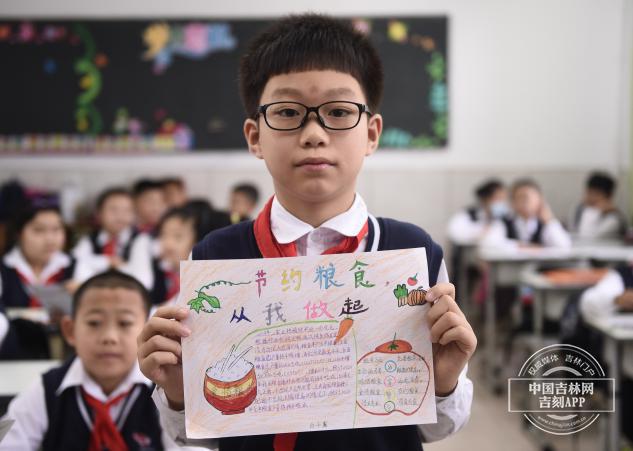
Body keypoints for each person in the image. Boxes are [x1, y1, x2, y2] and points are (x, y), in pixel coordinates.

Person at [138, 14, 476, 451]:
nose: (314, 133)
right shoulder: (216, 257)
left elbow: (436, 429)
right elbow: (195, 433)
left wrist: (444, 380)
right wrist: (178, 393)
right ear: (255, 137)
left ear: (371, 133)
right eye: (288, 113)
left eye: (338, 112)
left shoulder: (413, 252)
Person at [0, 270, 177, 450]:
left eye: (124, 323)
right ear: (70, 330)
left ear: (148, 331)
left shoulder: (167, 392)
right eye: (94, 323)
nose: (109, 337)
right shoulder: (47, 389)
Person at [0, 205, 89, 358]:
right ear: (19, 233)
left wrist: (84, 296)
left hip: (66, 351)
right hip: (13, 351)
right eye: (39, 230)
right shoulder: (4, 268)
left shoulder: (76, 266)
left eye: (56, 230)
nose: (50, 238)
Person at [481, 178, 571, 249]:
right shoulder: (504, 223)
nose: (525, 202)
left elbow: (563, 246)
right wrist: (522, 246)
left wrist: (549, 221)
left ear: (540, 200)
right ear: (513, 203)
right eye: (520, 197)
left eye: (529, 198)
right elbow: (488, 244)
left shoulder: (546, 224)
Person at [72, 187, 139, 274]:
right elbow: (75, 261)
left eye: (127, 210)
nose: (120, 216)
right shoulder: (89, 239)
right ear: (99, 214)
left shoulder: (140, 240)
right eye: (114, 210)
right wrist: (107, 262)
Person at [447, 179, 507, 246]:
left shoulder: (501, 219)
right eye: (498, 198)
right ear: (486, 198)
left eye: (503, 198)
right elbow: (454, 234)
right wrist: (478, 233)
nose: (501, 202)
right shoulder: (467, 215)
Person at [572, 172, 626, 240]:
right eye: (588, 193)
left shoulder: (613, 218)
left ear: (607, 198)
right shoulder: (580, 210)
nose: (588, 197)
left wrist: (593, 211)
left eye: (595, 194)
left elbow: (587, 237)